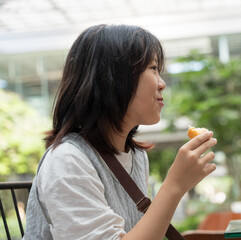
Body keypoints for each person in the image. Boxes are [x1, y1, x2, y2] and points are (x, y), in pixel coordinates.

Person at [24, 24, 217, 240]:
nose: (162, 84)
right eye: (153, 68)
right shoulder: (66, 160)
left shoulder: (136, 156)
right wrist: (175, 185)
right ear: (114, 77)